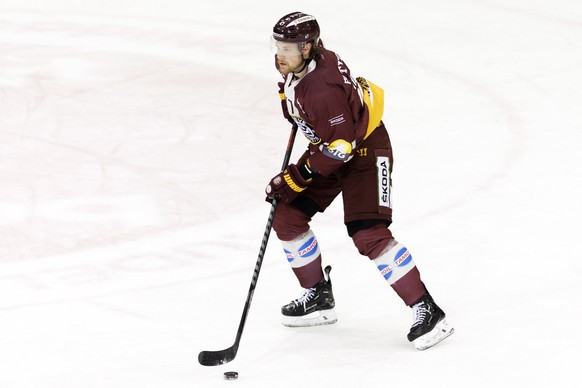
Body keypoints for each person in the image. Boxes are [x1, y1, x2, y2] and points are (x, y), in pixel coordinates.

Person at [265, 11, 454, 350]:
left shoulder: (321, 89)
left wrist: (299, 175)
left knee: (367, 232)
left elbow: (342, 148)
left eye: (288, 48)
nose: (280, 54)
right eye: (277, 46)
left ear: (308, 48)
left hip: (365, 152)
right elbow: (327, 135)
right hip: (335, 148)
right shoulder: (308, 64)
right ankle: (319, 296)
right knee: (287, 214)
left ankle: (427, 309)